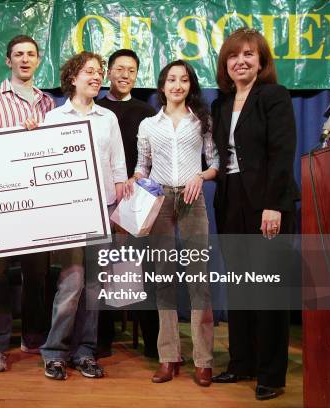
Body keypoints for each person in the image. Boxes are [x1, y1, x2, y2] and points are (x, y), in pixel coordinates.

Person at [209, 28, 298, 401]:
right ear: (225, 63)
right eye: (233, 55)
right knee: (242, 287)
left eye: (248, 54)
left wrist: (274, 205)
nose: (240, 61)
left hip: (266, 203)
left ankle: (271, 374)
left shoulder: (273, 96)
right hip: (230, 203)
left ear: (261, 62)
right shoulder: (220, 104)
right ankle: (241, 363)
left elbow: (282, 152)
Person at [0, 34, 55, 372]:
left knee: (38, 272)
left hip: (36, 204)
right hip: (0, 204)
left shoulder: (48, 103)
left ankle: (33, 336)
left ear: (37, 60)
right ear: (8, 61)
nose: (24, 59)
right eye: (18, 54)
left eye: (30, 54)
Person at [41, 51, 127, 380]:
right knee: (71, 282)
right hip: (69, 211)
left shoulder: (108, 118)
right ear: (72, 78)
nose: (96, 77)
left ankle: (85, 352)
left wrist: (118, 195)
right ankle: (54, 352)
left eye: (99, 72)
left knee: (95, 285)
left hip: (103, 208)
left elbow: (118, 164)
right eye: (89, 71)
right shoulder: (54, 118)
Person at [133, 60, 218, 387]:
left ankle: (203, 360)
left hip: (192, 198)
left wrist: (200, 175)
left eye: (184, 80)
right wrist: (135, 179)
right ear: (162, 85)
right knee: (164, 279)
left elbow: (215, 163)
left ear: (190, 85)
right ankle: (168, 357)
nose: (177, 85)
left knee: (199, 279)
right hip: (160, 201)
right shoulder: (148, 125)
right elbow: (142, 166)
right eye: (171, 79)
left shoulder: (202, 122)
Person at [95, 49, 159, 359]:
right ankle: (101, 340)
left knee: (143, 269)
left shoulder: (147, 112)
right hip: (103, 201)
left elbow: (152, 156)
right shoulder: (95, 109)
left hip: (138, 199)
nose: (125, 75)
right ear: (108, 72)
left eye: (131, 70)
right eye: (119, 69)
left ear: (136, 75)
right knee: (104, 269)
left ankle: (152, 342)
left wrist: (138, 179)